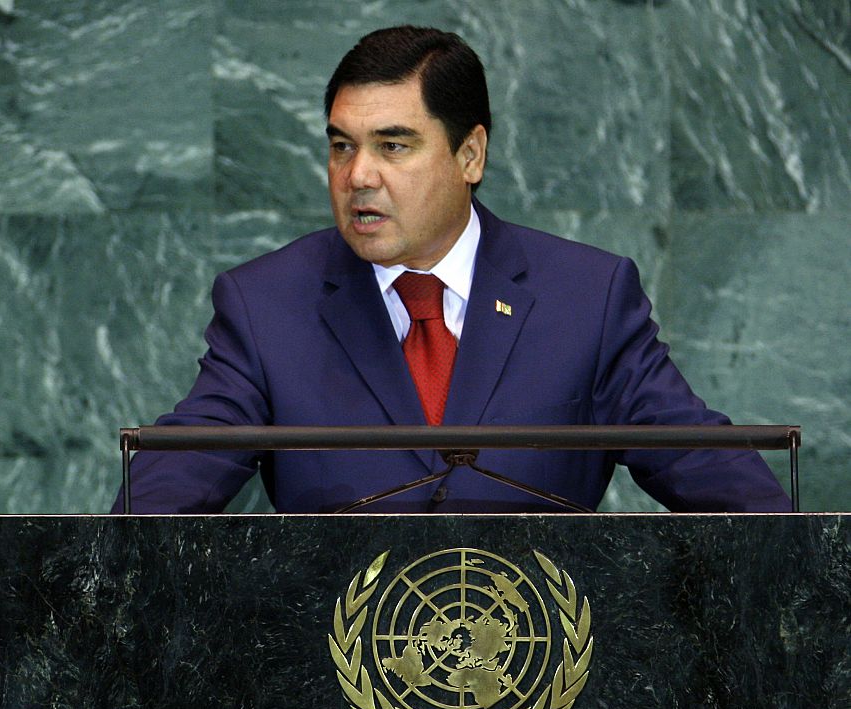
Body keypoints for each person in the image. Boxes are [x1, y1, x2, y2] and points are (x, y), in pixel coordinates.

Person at [114, 26, 789, 514]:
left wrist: (804, 558)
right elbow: (177, 479)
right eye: (342, 146)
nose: (357, 176)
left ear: (471, 155)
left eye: (393, 145)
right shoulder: (266, 305)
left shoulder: (587, 298)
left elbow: (709, 471)